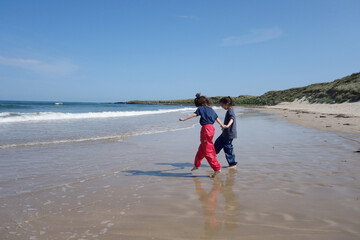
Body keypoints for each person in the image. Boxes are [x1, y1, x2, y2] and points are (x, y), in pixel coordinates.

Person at [179, 93, 224, 178]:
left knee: (208, 151)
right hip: (211, 129)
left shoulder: (201, 108)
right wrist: (222, 125)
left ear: (199, 104)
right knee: (202, 149)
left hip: (206, 130)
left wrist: (184, 119)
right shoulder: (211, 109)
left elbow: (194, 115)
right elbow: (216, 118)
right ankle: (197, 165)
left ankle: (217, 168)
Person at [214, 97, 237, 168]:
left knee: (228, 148)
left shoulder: (230, 111)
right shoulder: (229, 111)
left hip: (229, 134)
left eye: (222, 105)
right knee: (218, 142)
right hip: (225, 133)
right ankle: (213, 154)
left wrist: (227, 126)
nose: (222, 107)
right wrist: (225, 127)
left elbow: (232, 119)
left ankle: (232, 164)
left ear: (227, 104)